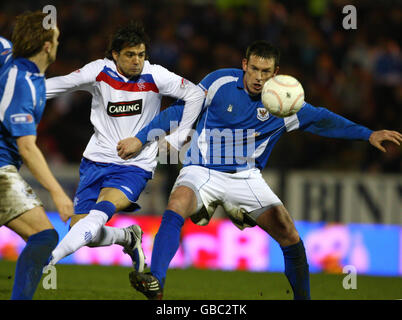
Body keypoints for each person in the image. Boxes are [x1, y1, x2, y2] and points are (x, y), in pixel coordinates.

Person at [117, 40, 402, 300]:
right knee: (177, 203)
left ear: (275, 72)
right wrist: (140, 139)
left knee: (289, 234)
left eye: (265, 71)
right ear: (244, 65)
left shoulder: (284, 101)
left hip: (246, 176)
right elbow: (179, 112)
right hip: (201, 169)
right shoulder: (219, 82)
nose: (258, 76)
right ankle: (156, 281)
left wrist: (367, 134)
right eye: (253, 68)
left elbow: (323, 120)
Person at [45, 21, 205, 270]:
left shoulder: (155, 75)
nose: (137, 60)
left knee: (100, 213)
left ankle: (49, 259)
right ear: (115, 55)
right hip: (95, 161)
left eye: (141, 55)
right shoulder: (99, 71)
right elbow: (57, 85)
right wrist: (18, 96)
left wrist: (177, 136)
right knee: (80, 229)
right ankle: (127, 237)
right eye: (130, 55)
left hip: (135, 165)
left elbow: (195, 94)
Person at [0, 11, 74, 300]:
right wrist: (58, 194)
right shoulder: (24, 84)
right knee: (44, 236)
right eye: (56, 37)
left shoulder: (7, 52)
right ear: (46, 45)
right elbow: (27, 147)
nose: (58, 42)